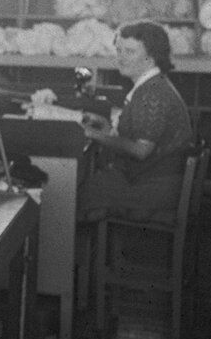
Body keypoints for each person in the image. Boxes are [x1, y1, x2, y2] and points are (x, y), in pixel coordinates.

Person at [78, 21, 195, 222]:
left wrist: (93, 135)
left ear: (152, 57)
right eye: (119, 50)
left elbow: (141, 151)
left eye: (129, 52)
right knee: (90, 185)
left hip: (154, 189)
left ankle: (84, 248)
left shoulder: (152, 93)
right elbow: (134, 137)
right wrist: (104, 127)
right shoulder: (151, 85)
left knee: (74, 193)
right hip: (154, 179)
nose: (120, 58)